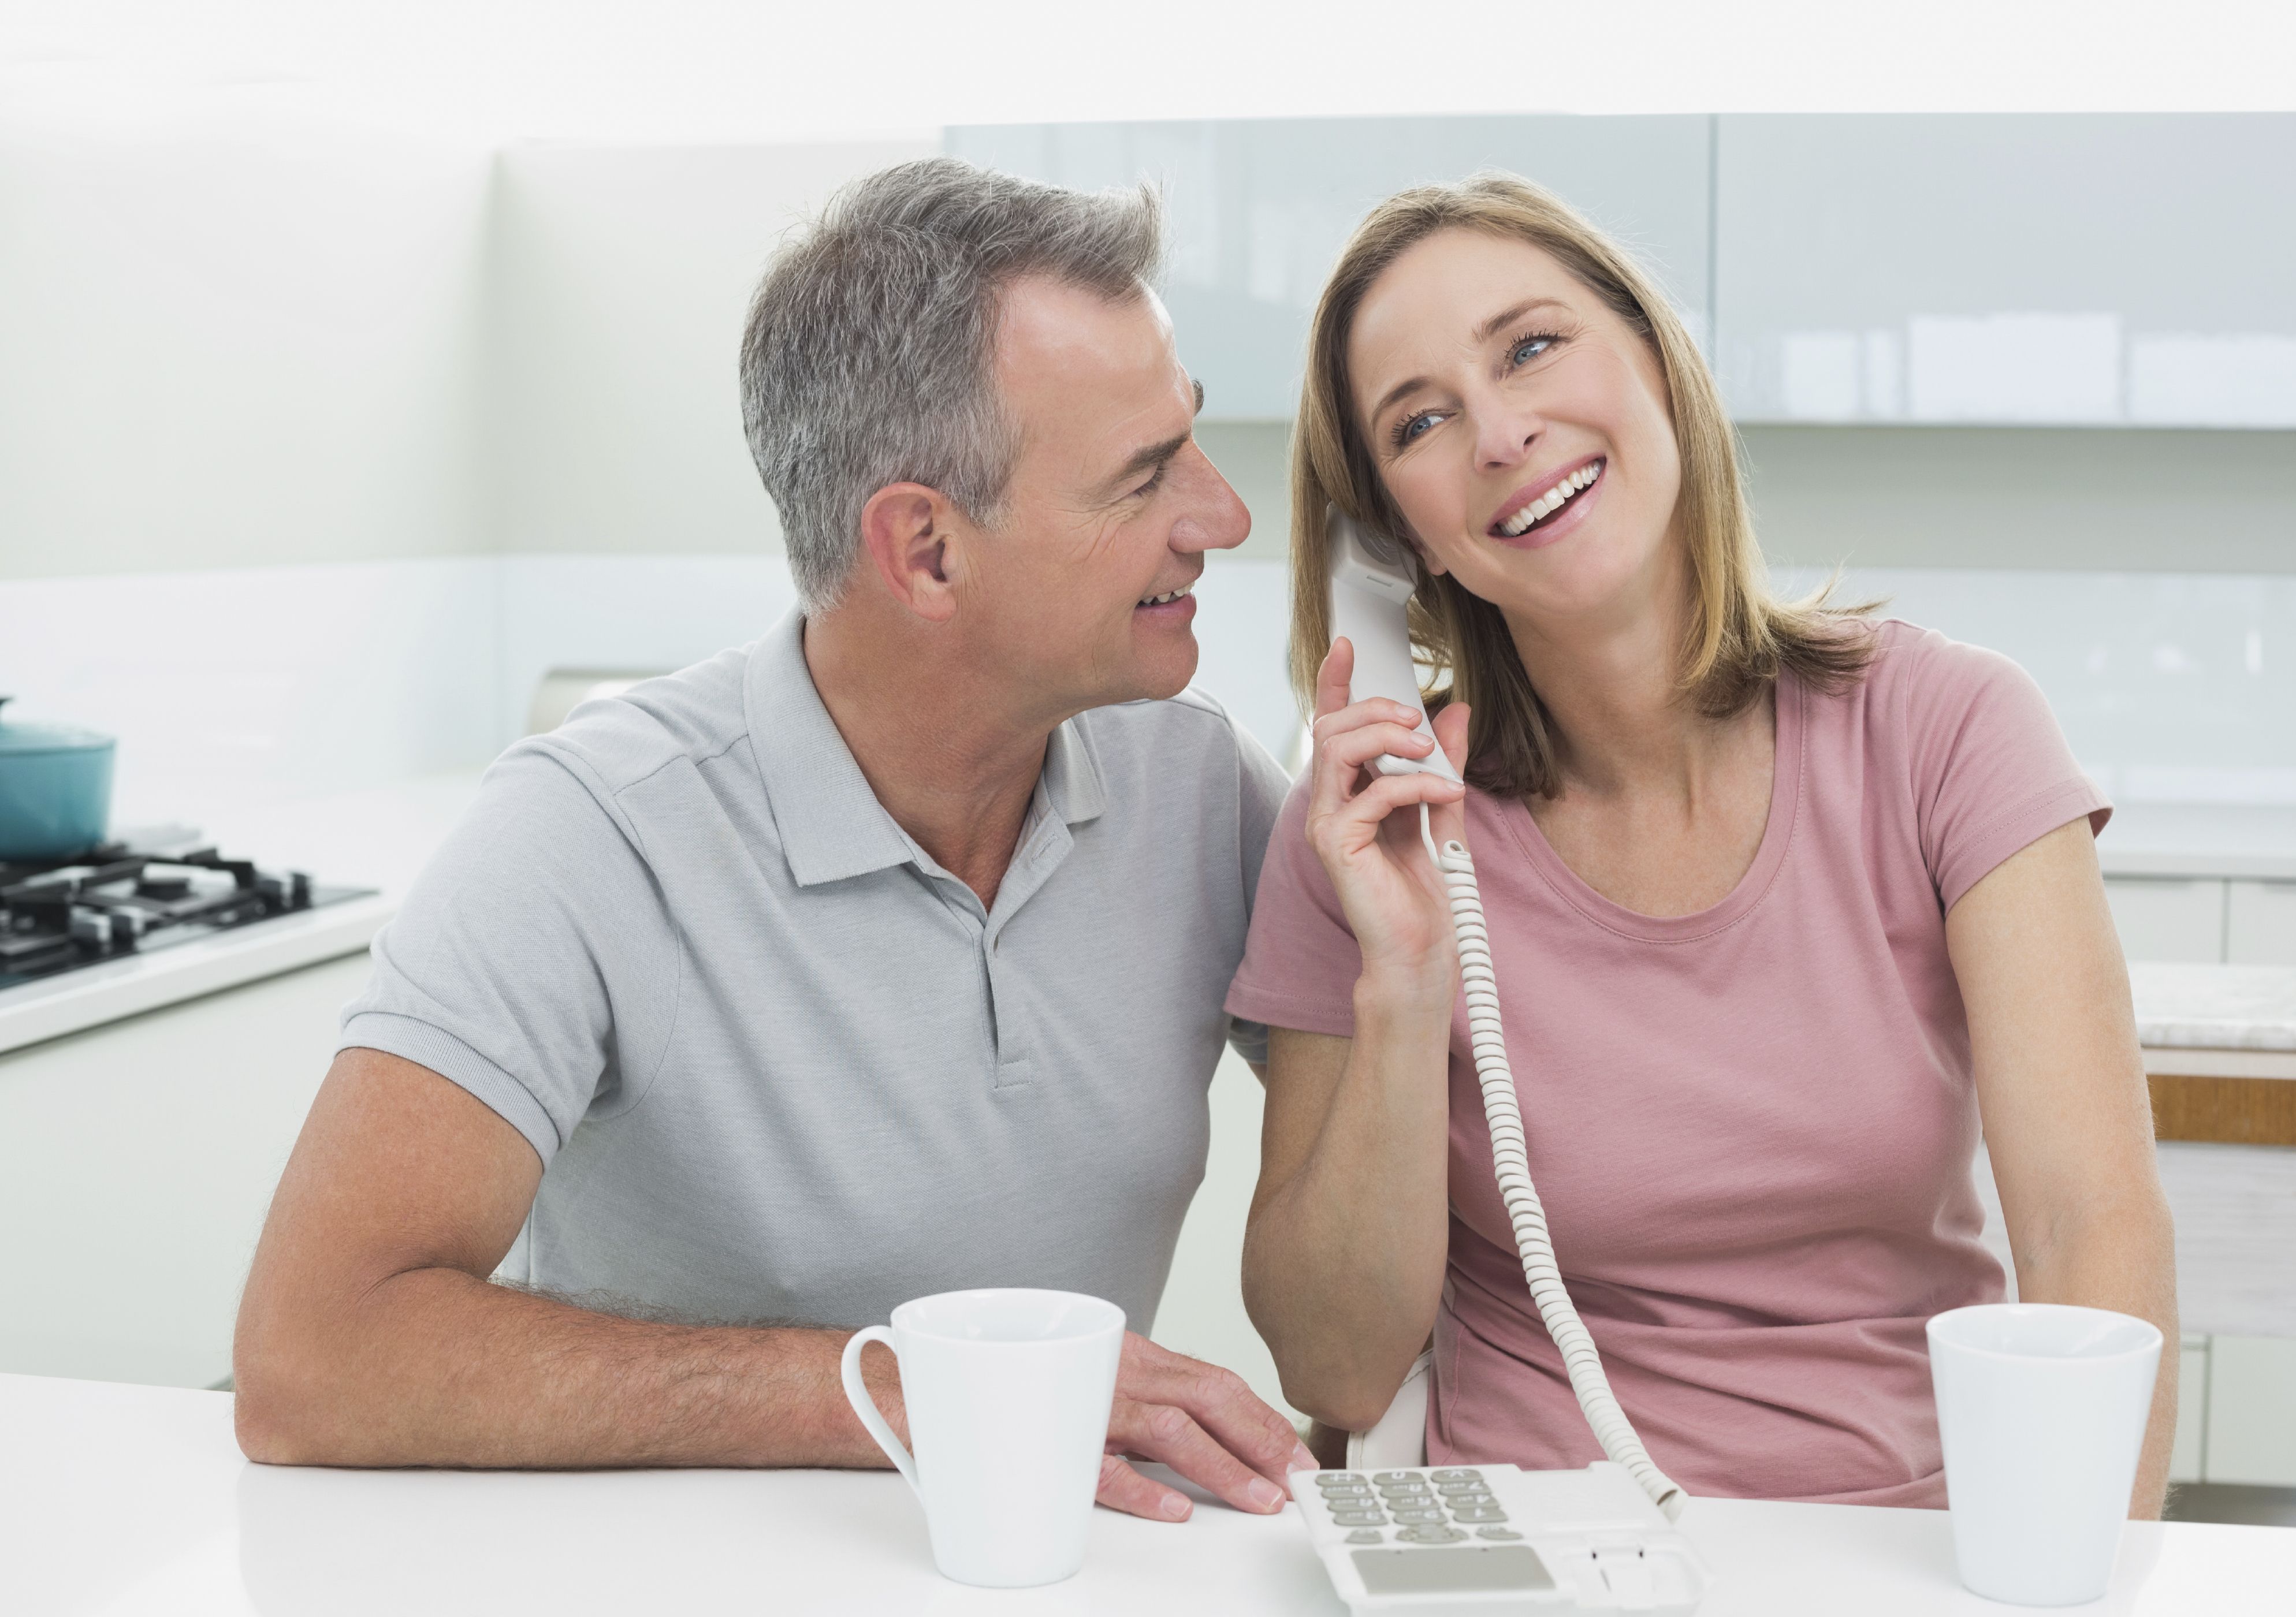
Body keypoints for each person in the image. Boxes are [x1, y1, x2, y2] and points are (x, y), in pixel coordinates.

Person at [234, 158, 1315, 1523]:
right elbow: (312, 1354)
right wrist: (890, 1391)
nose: (1222, 515)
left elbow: (1448, 1164)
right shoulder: (591, 833)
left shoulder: (1202, 783)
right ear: (924, 551)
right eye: (1146, 473)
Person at [1229, 174, 2179, 1512]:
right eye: (1424, 419)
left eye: (1534, 345)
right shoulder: (1374, 828)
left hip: (1906, 1539)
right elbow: (1333, 1366)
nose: (1501, 430)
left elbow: (2095, 1233)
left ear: (1658, 364)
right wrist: (1403, 986)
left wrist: (2091, 1575)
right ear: (1400, 538)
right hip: (1537, 1547)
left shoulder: (1951, 731)